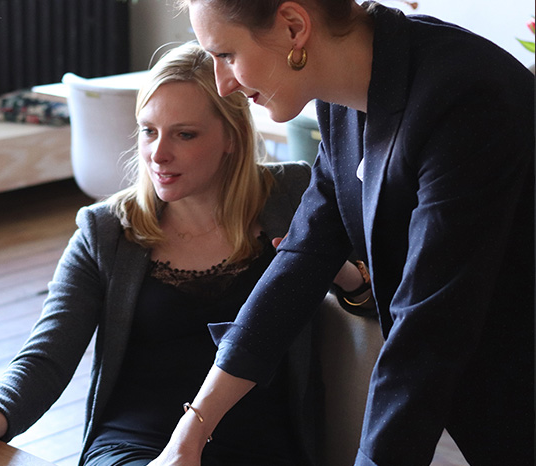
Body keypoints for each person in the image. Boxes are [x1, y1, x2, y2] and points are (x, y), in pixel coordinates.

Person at [0, 42, 370, 465]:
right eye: (149, 131)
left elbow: (377, 301)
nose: (158, 154)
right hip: (132, 445)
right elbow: (46, 358)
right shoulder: (106, 230)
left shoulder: (292, 194)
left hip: (261, 447)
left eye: (185, 134)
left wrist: (341, 273)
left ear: (231, 136)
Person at [151, 1, 535, 465]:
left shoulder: (464, 95)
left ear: (294, 26)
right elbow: (302, 258)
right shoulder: (343, 101)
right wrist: (190, 433)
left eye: (227, 55)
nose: (223, 83)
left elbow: (428, 330)